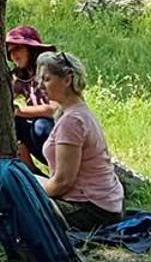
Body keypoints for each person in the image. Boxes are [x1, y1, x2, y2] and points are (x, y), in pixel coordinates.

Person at [36, 51, 124, 231]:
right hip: (106, 204)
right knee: (19, 179)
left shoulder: (72, 121)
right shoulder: (77, 112)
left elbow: (63, 182)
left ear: (67, 80)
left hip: (92, 210)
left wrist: (28, 193)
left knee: (14, 193)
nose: (40, 85)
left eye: (46, 79)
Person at [0, 25, 59, 169]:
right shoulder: (20, 76)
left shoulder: (49, 70)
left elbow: (55, 109)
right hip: (42, 134)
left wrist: (17, 110)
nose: (13, 55)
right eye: (10, 51)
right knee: (14, 122)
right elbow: (3, 99)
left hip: (62, 131)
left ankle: (60, 171)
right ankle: (30, 171)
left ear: (31, 49)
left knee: (40, 125)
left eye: (18, 48)